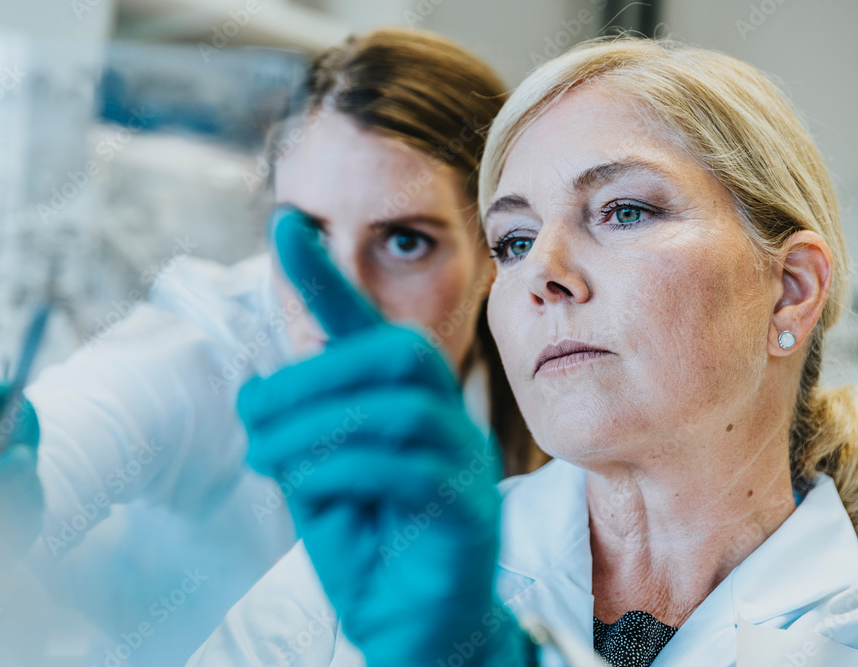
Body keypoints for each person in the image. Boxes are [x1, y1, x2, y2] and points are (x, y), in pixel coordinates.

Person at [189, 37, 858, 667]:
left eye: (622, 210)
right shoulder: (399, 559)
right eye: (514, 240)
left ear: (791, 289)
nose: (542, 271)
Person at [0, 27, 540, 665]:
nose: (338, 293)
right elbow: (74, 435)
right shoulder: (205, 347)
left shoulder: (542, 395)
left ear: (495, 256)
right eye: (307, 235)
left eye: (405, 241)